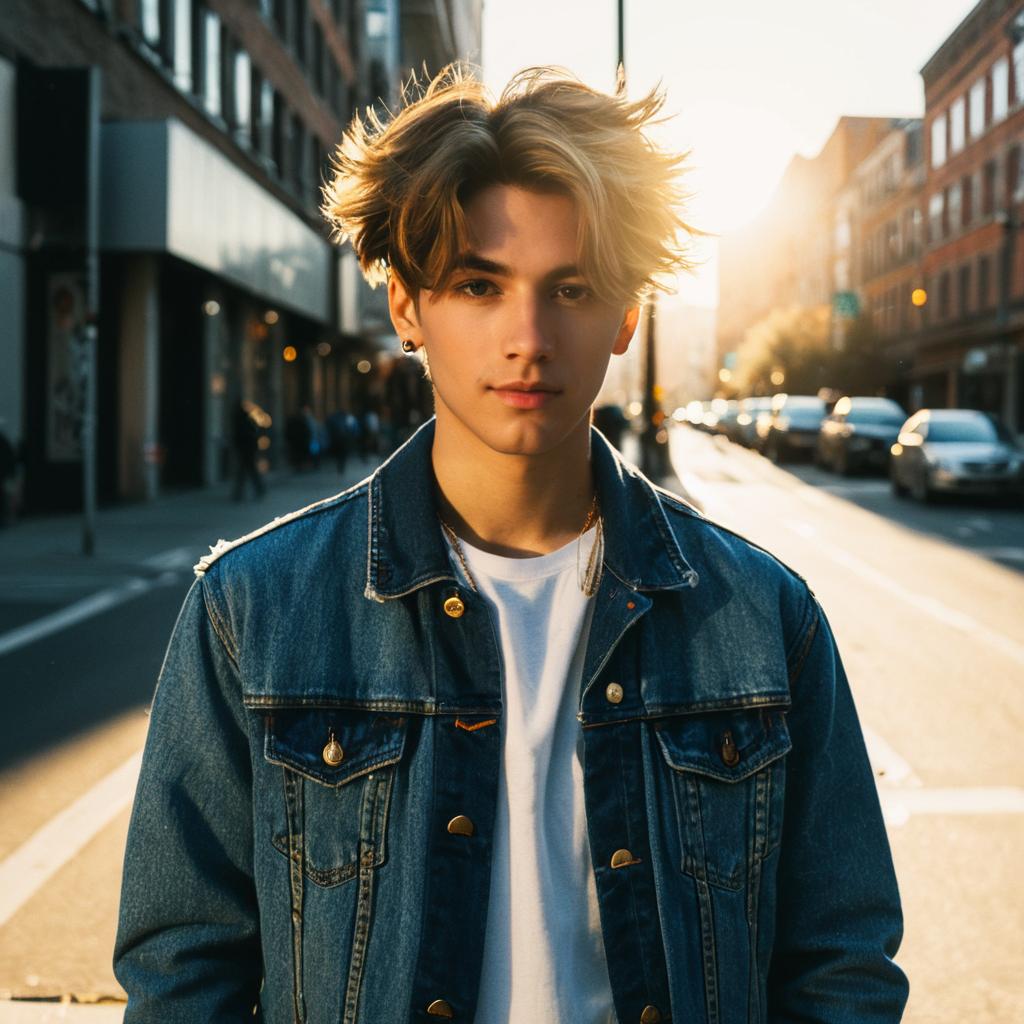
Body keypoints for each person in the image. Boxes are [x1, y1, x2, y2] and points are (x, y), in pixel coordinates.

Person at [114, 65, 908, 1023]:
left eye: (569, 288)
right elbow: (184, 973)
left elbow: (839, 965)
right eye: (478, 286)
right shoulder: (256, 610)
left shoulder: (764, 617)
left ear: (626, 316)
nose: (528, 336)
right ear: (408, 308)